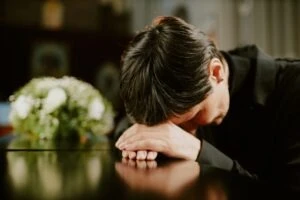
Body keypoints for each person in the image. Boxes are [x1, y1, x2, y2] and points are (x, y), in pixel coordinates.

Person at [115, 16, 300, 193]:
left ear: (216, 72)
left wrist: (197, 150)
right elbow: (126, 124)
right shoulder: (177, 92)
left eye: (191, 117)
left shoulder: (293, 90)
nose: (177, 133)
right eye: (169, 127)